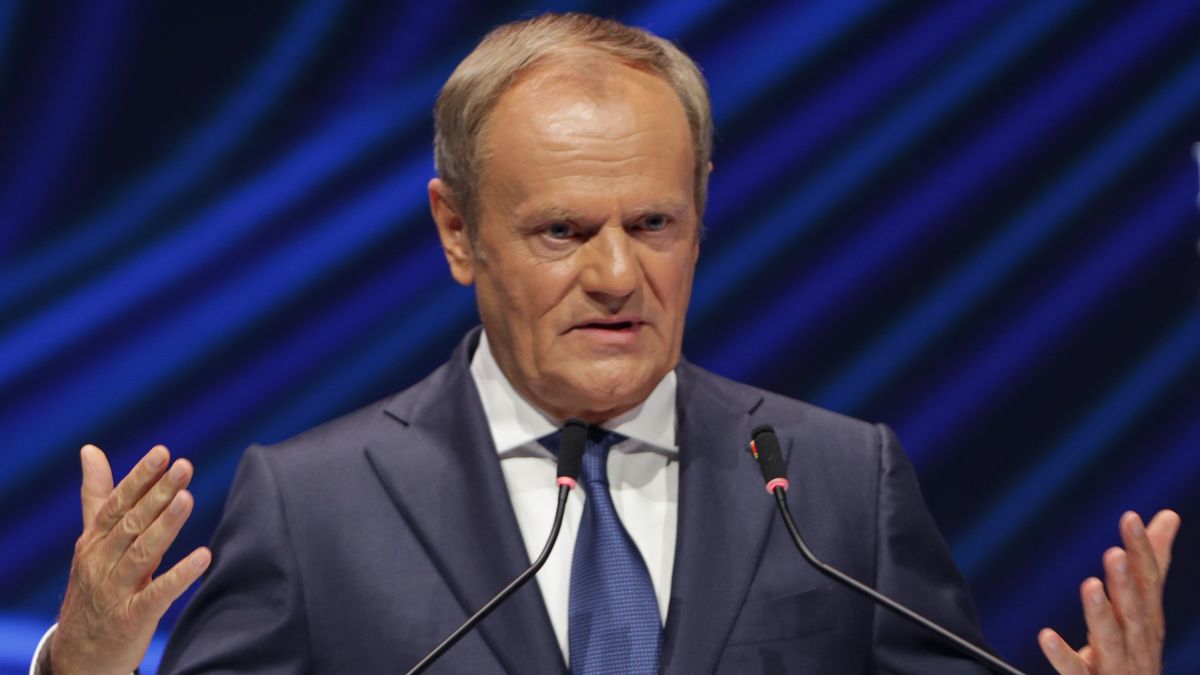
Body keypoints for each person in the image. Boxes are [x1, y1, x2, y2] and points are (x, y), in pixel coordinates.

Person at [36, 12, 1180, 674]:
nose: (619, 275)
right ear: (456, 231)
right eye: (563, 231)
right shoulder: (313, 505)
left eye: (654, 224)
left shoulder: (835, 487)